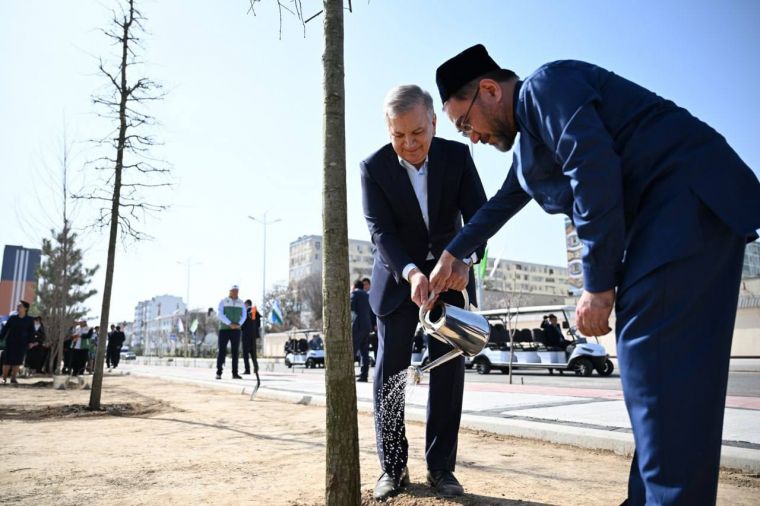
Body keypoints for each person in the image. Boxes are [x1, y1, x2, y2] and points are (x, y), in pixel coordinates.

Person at [429, 45, 760, 505]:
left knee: (654, 366)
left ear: (488, 90)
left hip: (684, 203)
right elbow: (501, 203)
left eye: (465, 124)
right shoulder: (528, 144)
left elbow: (592, 167)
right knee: (666, 382)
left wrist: (598, 285)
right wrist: (453, 254)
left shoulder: (547, 87)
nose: (471, 138)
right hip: (674, 222)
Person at [360, 84, 488, 500]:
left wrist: (465, 264)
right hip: (399, 286)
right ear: (388, 130)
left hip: (451, 281)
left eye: (417, 132)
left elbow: (479, 219)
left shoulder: (458, 157)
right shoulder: (372, 168)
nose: (409, 144)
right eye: (398, 136)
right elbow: (380, 231)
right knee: (389, 376)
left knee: (448, 375)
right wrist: (413, 273)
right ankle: (392, 469)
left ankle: (441, 469)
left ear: (433, 121)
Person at [216, 285, 246, 380]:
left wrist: (238, 324)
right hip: (224, 329)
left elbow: (244, 315)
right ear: (229, 291)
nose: (235, 292)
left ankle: (235, 373)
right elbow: (220, 314)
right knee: (222, 351)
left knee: (235, 352)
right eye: (233, 290)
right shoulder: (223, 301)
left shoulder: (241, 303)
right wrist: (229, 323)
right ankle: (219, 372)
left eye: (236, 290)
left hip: (236, 330)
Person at [0, 301, 35, 385]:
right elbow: (5, 329)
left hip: (22, 343)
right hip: (10, 342)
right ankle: (4, 378)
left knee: (17, 361)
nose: (18, 308)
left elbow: (31, 331)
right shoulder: (12, 318)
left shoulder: (29, 319)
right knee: (7, 361)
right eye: (18, 306)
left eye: (20, 306)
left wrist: (31, 342)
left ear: (25, 308)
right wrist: (1, 337)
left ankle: (13, 379)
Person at [350, 279, 373, 382]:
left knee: (353, 350)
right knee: (364, 352)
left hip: (357, 326)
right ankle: (364, 375)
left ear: (354, 286)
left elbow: (350, 306)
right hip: (367, 326)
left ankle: (349, 374)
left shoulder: (355, 294)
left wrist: (351, 293)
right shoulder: (368, 295)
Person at [241, 299, 261, 375]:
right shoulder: (255, 311)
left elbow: (242, 324)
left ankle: (247, 369)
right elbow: (258, 324)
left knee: (245, 353)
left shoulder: (245, 312)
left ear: (246, 304)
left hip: (246, 335)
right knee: (253, 353)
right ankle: (256, 368)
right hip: (253, 336)